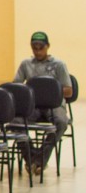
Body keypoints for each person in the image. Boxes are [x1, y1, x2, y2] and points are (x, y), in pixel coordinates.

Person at [13, 31, 73, 174]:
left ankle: (40, 158)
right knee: (15, 122)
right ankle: (31, 157)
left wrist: (51, 92)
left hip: (54, 105)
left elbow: (69, 91)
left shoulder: (59, 65)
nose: (38, 51)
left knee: (61, 122)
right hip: (32, 105)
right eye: (35, 48)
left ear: (48, 46)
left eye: (41, 48)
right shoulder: (26, 64)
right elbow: (16, 86)